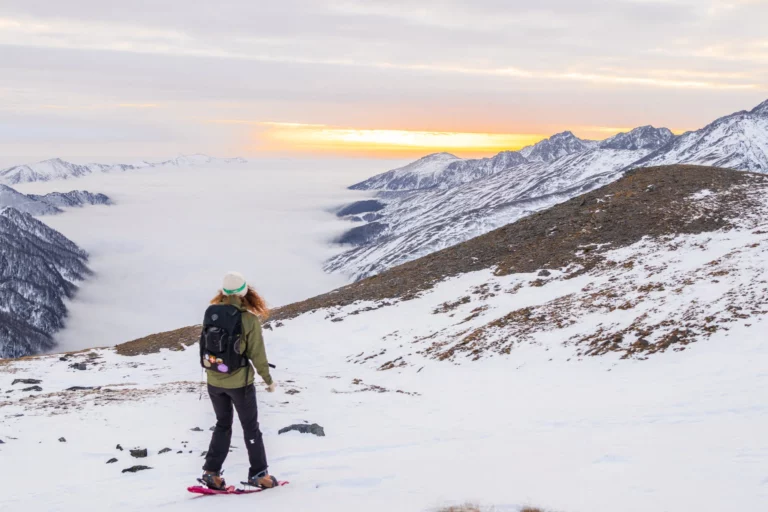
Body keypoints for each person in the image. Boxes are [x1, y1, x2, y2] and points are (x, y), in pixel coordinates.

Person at [200, 271, 278, 490]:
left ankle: (211, 473)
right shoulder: (249, 319)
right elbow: (257, 354)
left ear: (223, 293)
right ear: (245, 293)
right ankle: (259, 475)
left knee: (222, 425)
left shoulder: (211, 313)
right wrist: (268, 380)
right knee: (250, 428)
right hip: (240, 384)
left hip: (214, 381)